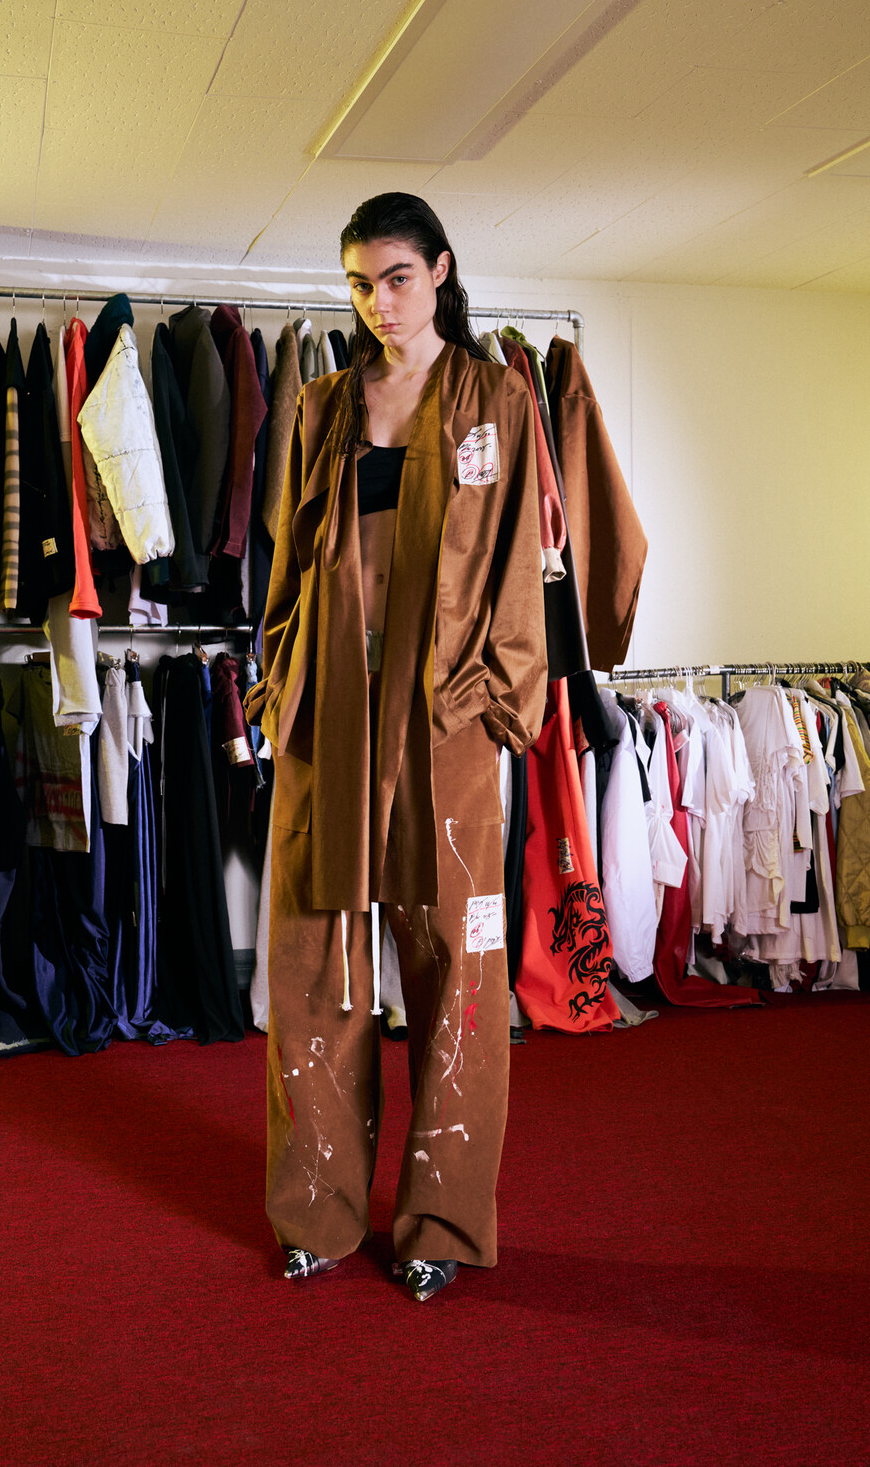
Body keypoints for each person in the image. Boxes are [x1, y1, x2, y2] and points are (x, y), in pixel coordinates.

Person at [244, 192, 547, 1302]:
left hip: (445, 717)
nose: (379, 302)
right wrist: (278, 679)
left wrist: (501, 693)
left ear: (440, 272)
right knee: (314, 961)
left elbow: (519, 553)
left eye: (398, 278)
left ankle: (442, 1221)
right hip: (332, 708)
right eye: (361, 284)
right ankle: (317, 1212)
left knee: (455, 967)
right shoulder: (324, 404)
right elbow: (288, 561)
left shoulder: (495, 398)